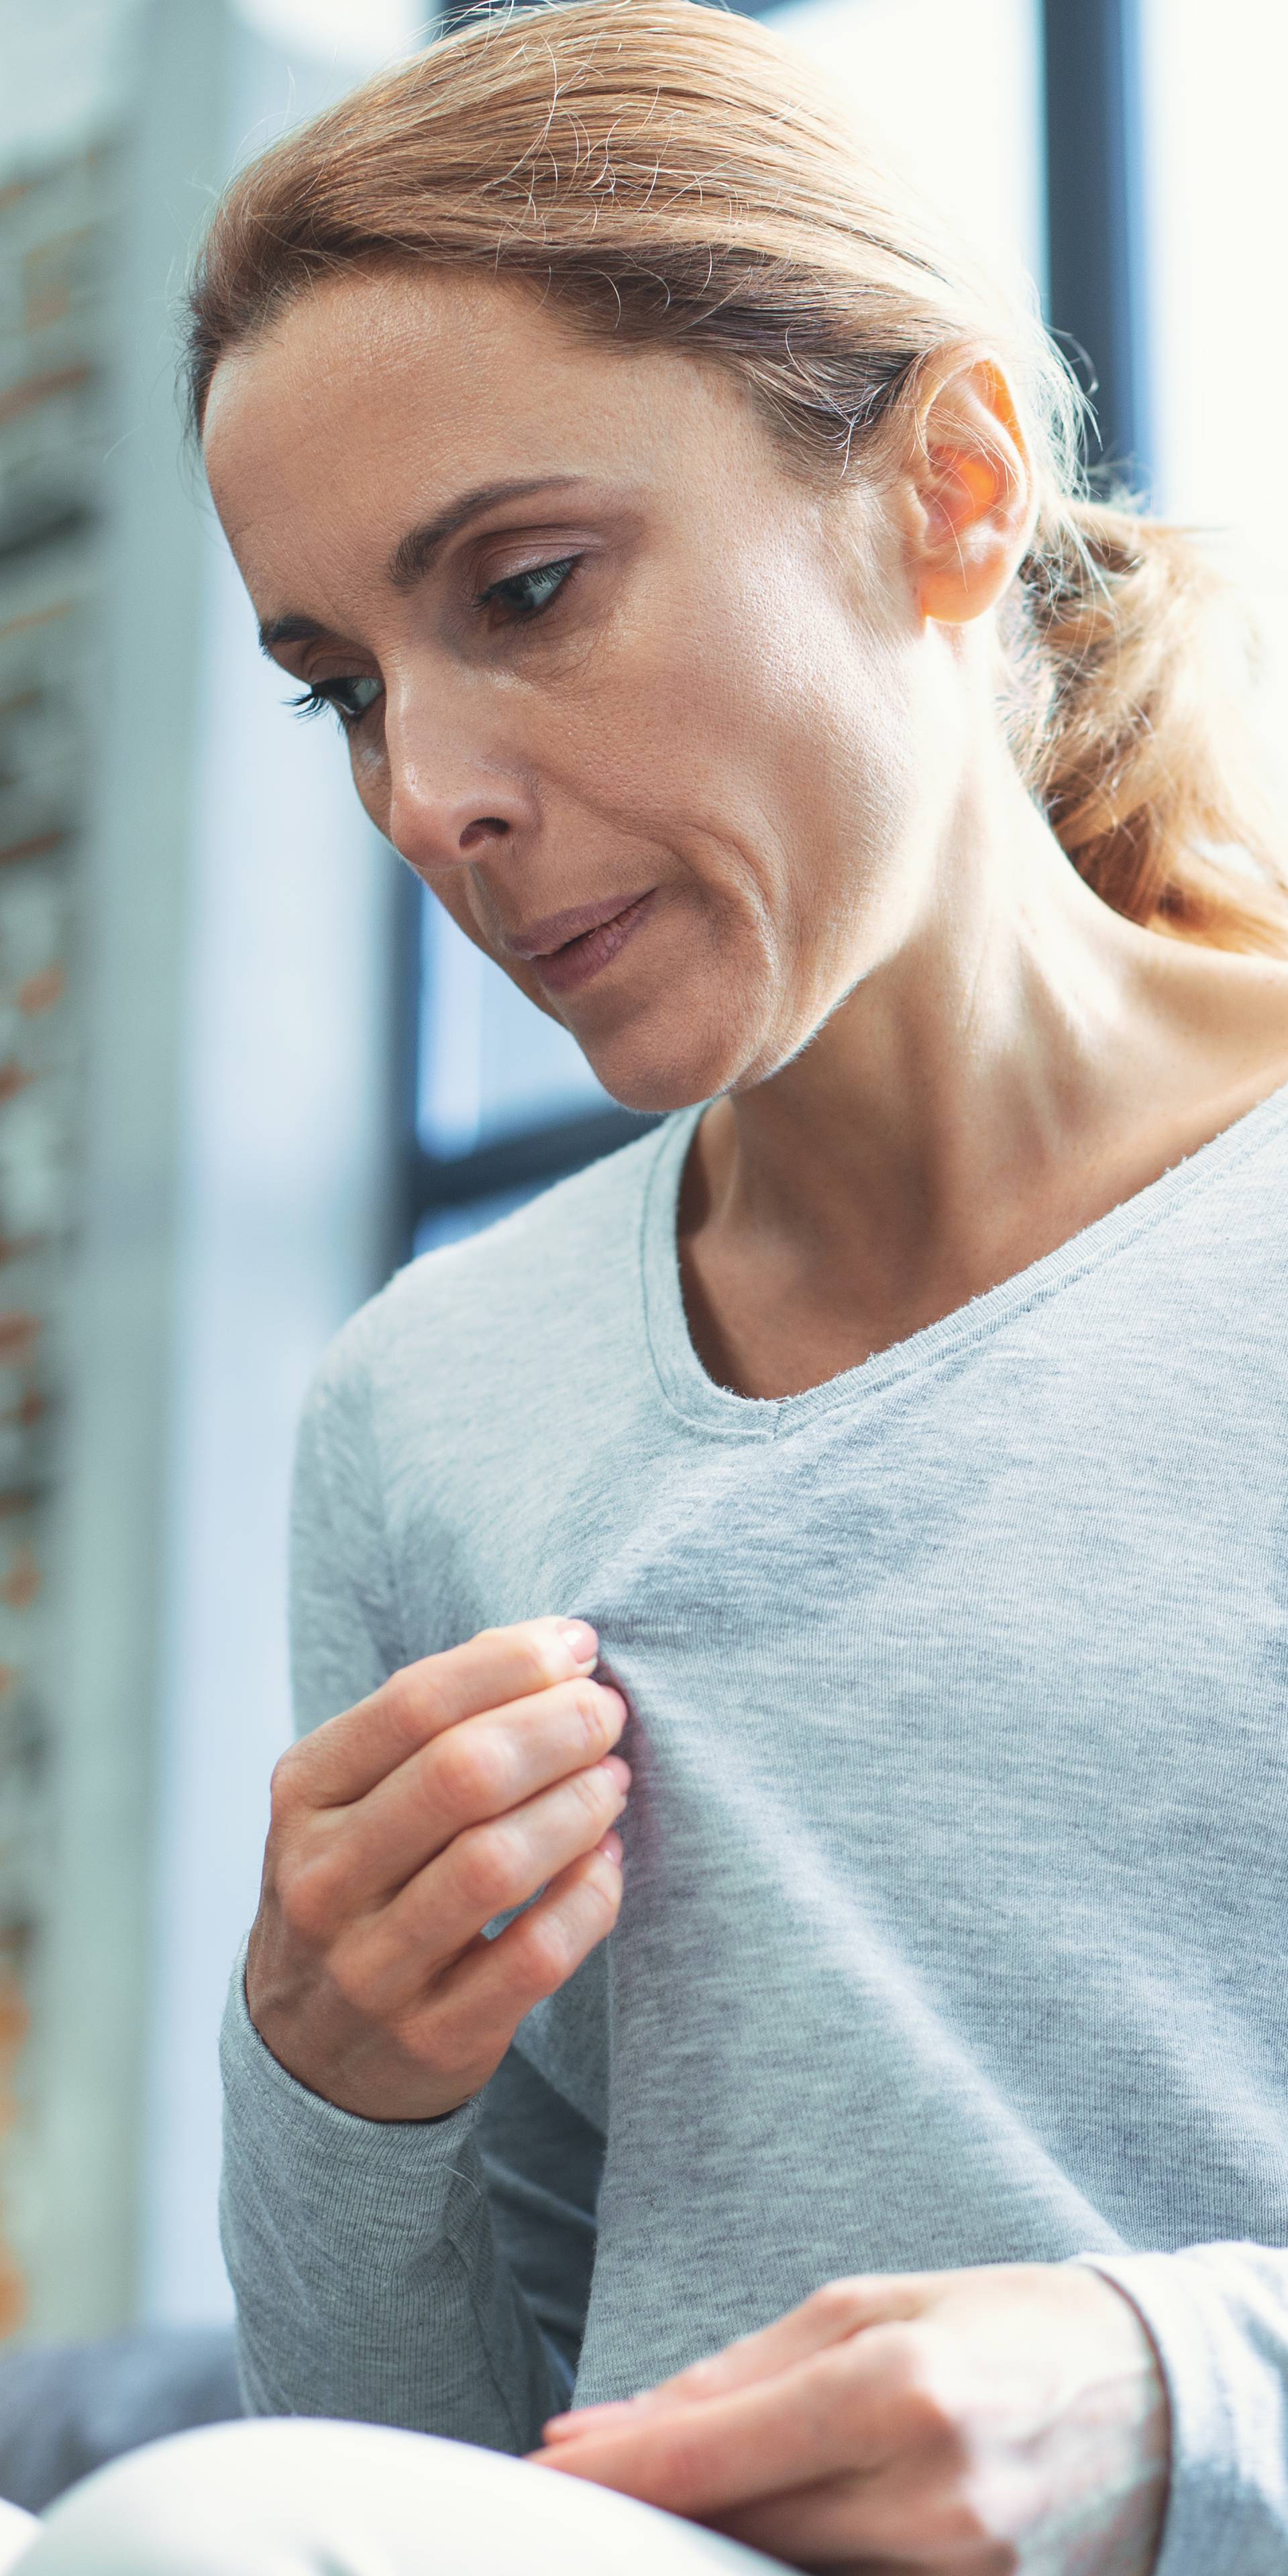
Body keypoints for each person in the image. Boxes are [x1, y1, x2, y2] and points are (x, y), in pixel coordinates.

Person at [17, 0, 1288, 2565]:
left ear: (947, 484)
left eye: (527, 588)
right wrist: (338, 2081)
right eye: (342, 692)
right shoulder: (431, 1410)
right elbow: (414, 2461)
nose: (431, 795)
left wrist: (1176, 2393)